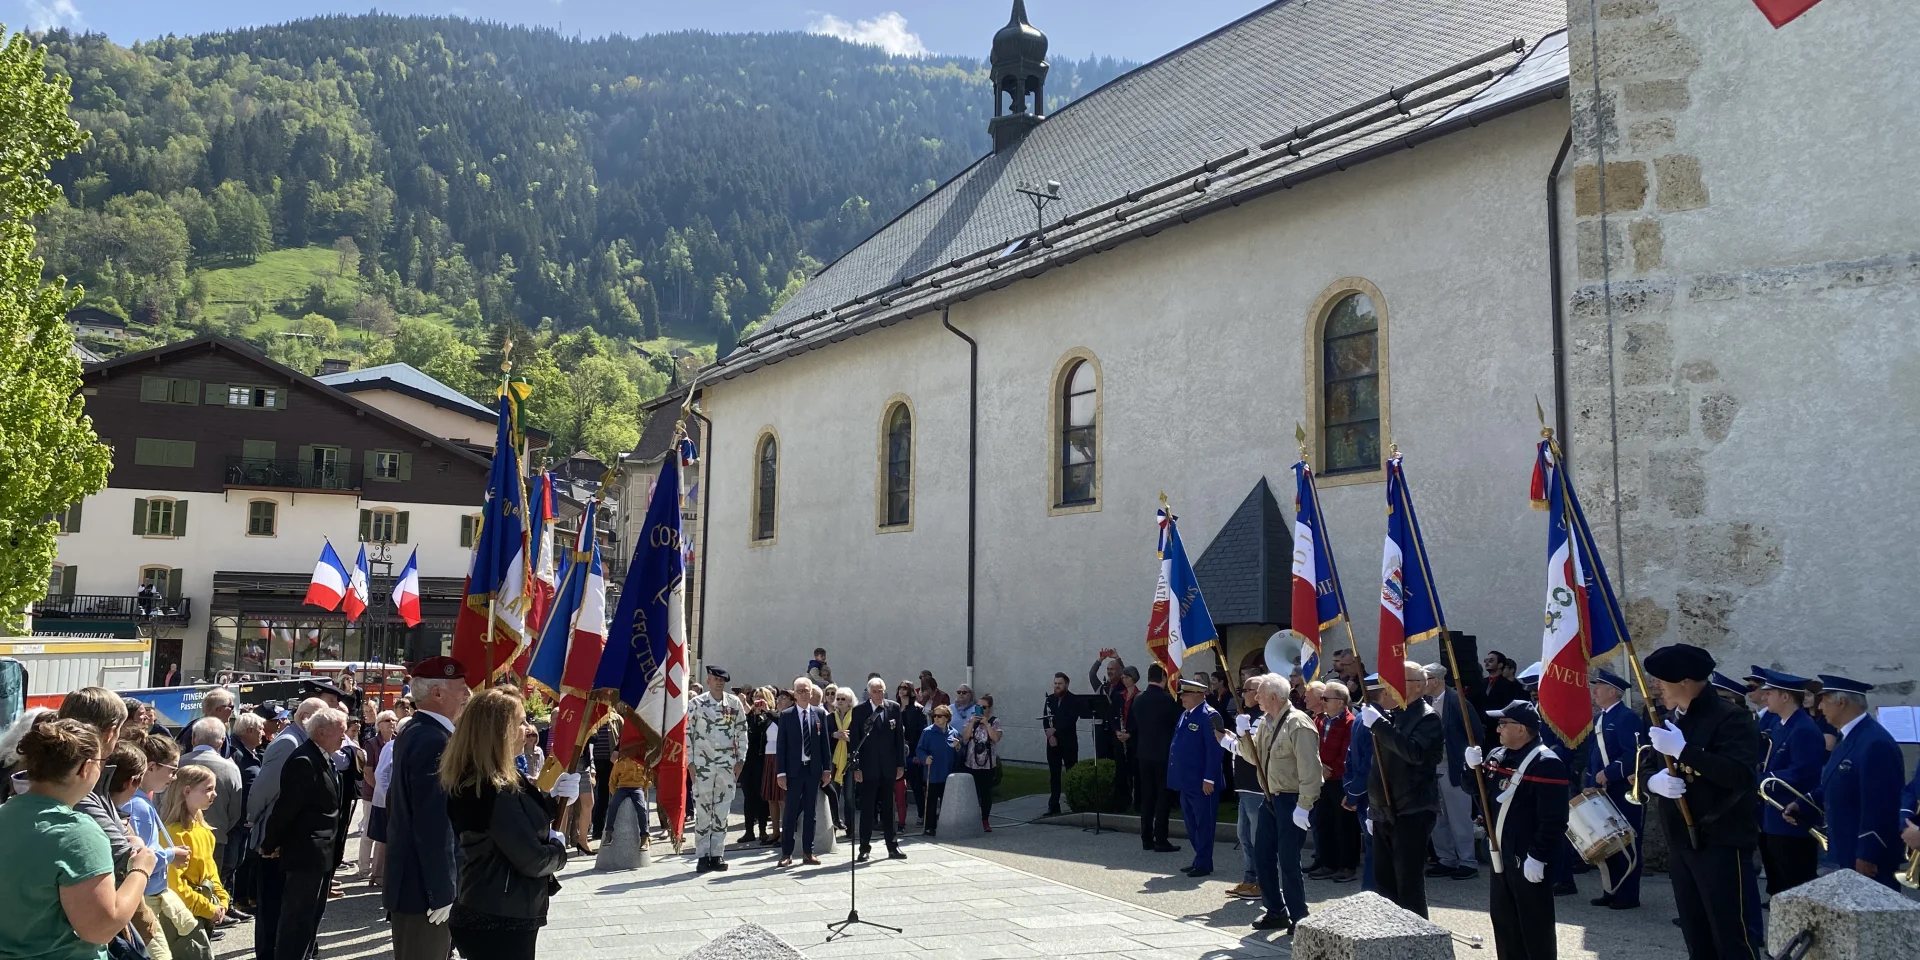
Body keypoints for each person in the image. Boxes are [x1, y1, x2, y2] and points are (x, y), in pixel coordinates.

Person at [1637, 643, 1763, 960]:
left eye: (1661, 680)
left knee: (1731, 934)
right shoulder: (1668, 718)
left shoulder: (1732, 718)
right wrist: (1653, 781)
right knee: (1696, 932)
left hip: (1719, 839)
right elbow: (1648, 764)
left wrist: (1685, 752)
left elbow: (1740, 776)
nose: (1656, 687)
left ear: (1684, 681)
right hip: (1681, 840)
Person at [0, 715, 157, 960]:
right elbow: (100, 928)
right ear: (85, 768)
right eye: (102, 762)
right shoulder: (77, 833)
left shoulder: (5, 813)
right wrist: (141, 869)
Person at [440, 688, 568, 960]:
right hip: (499, 917)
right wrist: (558, 849)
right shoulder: (493, 788)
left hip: (493, 908)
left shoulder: (485, 777)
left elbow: (521, 818)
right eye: (520, 722)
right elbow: (531, 859)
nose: (528, 728)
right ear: (499, 731)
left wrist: (552, 796)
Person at [1464, 701, 1570, 960]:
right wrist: (1470, 769)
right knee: (1504, 923)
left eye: (1503, 724)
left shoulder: (1545, 763)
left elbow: (1555, 819)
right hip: (1500, 851)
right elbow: (1478, 794)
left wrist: (1539, 855)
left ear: (1521, 729)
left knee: (1534, 927)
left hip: (1528, 856)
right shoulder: (1497, 756)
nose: (1498, 730)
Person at [386, 658, 473, 960]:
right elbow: (432, 824)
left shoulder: (419, 732)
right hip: (423, 892)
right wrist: (441, 891)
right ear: (437, 693)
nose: (467, 695)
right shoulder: (433, 740)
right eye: (461, 688)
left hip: (415, 885)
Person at [1786, 674, 1904, 889]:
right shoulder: (1850, 736)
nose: (1820, 707)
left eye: (1824, 700)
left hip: (1865, 855)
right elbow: (1838, 781)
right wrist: (1803, 803)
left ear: (1841, 702)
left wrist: (1868, 853)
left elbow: (1880, 804)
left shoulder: (1875, 742)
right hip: (1845, 847)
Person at [259, 707, 346, 960]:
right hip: (306, 854)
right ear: (321, 732)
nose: (344, 738)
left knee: (310, 919)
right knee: (297, 920)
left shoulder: (323, 757)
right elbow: (286, 809)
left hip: (321, 855)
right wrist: (270, 843)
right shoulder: (304, 761)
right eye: (340, 732)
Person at [1358, 660, 1444, 917]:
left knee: (1408, 884)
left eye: (1397, 681)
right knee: (1385, 884)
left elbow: (1414, 753)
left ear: (1418, 686)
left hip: (1412, 810)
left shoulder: (1428, 718)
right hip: (1385, 810)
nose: (1389, 687)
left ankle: (1417, 943)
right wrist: (1374, 807)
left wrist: (1380, 726)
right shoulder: (1394, 716)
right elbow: (1379, 765)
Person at [247, 696, 325, 960]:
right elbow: (264, 789)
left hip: (287, 838)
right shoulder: (289, 743)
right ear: (305, 718)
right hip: (273, 836)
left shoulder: (301, 741)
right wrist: (254, 821)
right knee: (271, 907)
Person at [1243, 673, 1321, 933]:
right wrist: (1241, 735)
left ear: (1274, 697)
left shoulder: (1297, 723)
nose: (1256, 698)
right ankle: (1275, 910)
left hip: (1292, 800)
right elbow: (1254, 757)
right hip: (1271, 799)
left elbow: (1311, 769)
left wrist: (1305, 804)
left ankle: (1300, 917)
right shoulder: (1266, 722)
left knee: (1288, 861)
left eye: (1260, 694)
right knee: (1262, 855)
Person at [1744, 666, 1823, 898]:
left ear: (1786, 696)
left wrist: (1761, 780)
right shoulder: (1781, 725)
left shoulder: (1803, 729)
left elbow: (1803, 772)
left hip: (1792, 814)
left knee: (1794, 881)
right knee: (1778, 881)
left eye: (1770, 693)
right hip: (1772, 813)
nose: (1765, 696)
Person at [1583, 669, 1645, 909]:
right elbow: (1593, 756)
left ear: (1613, 691)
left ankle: (1628, 895)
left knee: (1625, 841)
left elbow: (1634, 753)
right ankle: (1611, 890)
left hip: (1621, 789)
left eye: (1599, 687)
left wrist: (1608, 774)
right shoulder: (1600, 718)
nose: (1594, 691)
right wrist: (1590, 784)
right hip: (1600, 790)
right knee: (1606, 842)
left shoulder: (1626, 717)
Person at [1418, 664, 1484, 881]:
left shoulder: (1457, 702)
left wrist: (1466, 759)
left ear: (1435, 680)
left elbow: (1475, 732)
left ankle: (1467, 861)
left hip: (1452, 767)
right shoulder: (1425, 702)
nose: (1421, 684)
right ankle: (1446, 858)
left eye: (1424, 679)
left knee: (1459, 817)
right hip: (1432, 767)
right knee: (1438, 817)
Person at [687, 666, 747, 873]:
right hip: (703, 765)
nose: (719, 683)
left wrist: (741, 760)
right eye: (715, 679)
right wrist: (690, 762)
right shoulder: (696, 703)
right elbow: (687, 733)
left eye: (722, 680)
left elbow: (742, 732)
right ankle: (702, 855)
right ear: (708, 681)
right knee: (703, 810)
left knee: (722, 811)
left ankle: (717, 854)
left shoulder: (733, 703)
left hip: (726, 765)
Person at [177, 718, 243, 905]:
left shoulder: (178, 763)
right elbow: (235, 810)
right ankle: (208, 926)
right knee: (209, 886)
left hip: (177, 833)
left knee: (180, 886)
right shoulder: (230, 768)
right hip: (217, 835)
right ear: (222, 741)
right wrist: (220, 827)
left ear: (194, 738)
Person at [161, 765, 232, 934]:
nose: (214, 794)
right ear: (187, 791)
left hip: (203, 912)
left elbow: (211, 873)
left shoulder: (205, 831)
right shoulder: (173, 833)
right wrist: (208, 909)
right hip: (181, 919)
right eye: (208, 789)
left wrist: (222, 901)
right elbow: (175, 886)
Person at [1168, 678, 1225, 877]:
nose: (1182, 697)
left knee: (1204, 823)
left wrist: (1209, 778)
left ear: (1199, 695)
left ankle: (1203, 863)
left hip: (1202, 781)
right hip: (1186, 780)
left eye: (1186, 694)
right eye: (1182, 694)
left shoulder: (1209, 715)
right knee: (1191, 823)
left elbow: (1215, 750)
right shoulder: (1186, 714)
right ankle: (1199, 858)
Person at [849, 677, 908, 861]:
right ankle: (864, 848)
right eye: (875, 691)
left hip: (888, 767)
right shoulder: (859, 711)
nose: (878, 694)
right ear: (868, 693)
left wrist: (900, 764)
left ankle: (892, 846)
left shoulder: (893, 708)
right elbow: (854, 742)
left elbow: (899, 738)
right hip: (867, 768)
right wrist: (856, 768)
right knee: (867, 809)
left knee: (889, 809)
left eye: (881, 690)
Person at [775, 678, 831, 867]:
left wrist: (826, 769)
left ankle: (808, 852)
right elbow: (781, 746)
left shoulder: (819, 714)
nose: (803, 694)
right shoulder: (787, 715)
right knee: (790, 812)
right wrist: (780, 772)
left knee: (811, 812)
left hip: (813, 770)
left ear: (811, 693)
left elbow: (825, 744)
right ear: (794, 693)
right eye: (799, 691)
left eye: (806, 690)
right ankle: (786, 853)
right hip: (793, 771)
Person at [1127, 664, 1180, 853]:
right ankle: (1161, 839)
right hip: (1163, 754)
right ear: (1164, 679)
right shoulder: (1167, 700)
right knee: (1162, 798)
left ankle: (1146, 838)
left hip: (1143, 754)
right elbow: (1177, 723)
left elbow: (1133, 725)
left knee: (1147, 797)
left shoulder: (1138, 699)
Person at [1311, 679, 1360, 883]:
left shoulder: (1351, 722)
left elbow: (1348, 753)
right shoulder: (1320, 720)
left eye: (1326, 698)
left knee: (1345, 824)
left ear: (1340, 702)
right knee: (1324, 821)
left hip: (1341, 780)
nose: (1322, 701)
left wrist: (1332, 770)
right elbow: (1312, 746)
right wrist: (1318, 765)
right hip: (1322, 779)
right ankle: (1328, 863)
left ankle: (1347, 865)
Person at [1226, 674, 1266, 901]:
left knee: (1257, 837)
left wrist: (1227, 741)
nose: (1243, 694)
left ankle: (1263, 882)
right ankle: (1250, 878)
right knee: (1244, 835)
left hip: (1255, 785)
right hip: (1243, 785)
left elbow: (1251, 750)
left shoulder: (1262, 718)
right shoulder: (1247, 716)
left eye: (1247, 690)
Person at [958, 693, 1003, 832]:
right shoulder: (971, 720)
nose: (981, 709)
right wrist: (972, 722)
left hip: (987, 763)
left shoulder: (994, 721)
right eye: (978, 706)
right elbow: (965, 737)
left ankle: (985, 820)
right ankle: (971, 818)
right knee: (972, 793)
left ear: (990, 708)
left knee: (985, 793)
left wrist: (986, 724)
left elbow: (995, 738)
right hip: (971, 763)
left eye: (984, 707)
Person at [1043, 672, 1081, 817]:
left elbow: (1071, 720)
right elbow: (1046, 719)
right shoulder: (1049, 700)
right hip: (1052, 744)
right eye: (1055, 683)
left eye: (1060, 683)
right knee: (1054, 775)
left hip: (1068, 743)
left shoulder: (1073, 700)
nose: (1057, 686)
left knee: (1071, 773)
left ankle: (1074, 803)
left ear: (1066, 684)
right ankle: (1053, 805)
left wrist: (1056, 730)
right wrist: (1050, 735)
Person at [916, 705, 956, 835]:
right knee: (931, 803)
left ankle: (946, 825)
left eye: (939, 716)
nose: (936, 718)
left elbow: (960, 755)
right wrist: (925, 758)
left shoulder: (954, 733)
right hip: (933, 773)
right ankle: (929, 827)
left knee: (947, 803)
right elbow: (920, 749)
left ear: (947, 718)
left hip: (948, 774)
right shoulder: (928, 732)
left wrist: (959, 747)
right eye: (934, 716)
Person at [741, 689, 774, 844]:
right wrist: (749, 712)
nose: (757, 700)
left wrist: (765, 711)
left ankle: (762, 829)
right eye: (755, 697)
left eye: (760, 698)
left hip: (762, 760)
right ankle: (749, 831)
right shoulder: (749, 716)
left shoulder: (769, 716)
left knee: (762, 797)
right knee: (748, 797)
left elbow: (762, 731)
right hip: (748, 761)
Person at [762, 689, 794, 847]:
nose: (780, 700)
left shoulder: (789, 716)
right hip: (769, 756)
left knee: (782, 798)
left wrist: (768, 712)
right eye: (779, 697)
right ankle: (775, 832)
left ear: (791, 701)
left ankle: (785, 832)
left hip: (782, 757)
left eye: (784, 698)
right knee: (772, 798)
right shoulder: (772, 715)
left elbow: (780, 723)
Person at [896, 682, 926, 829]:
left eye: (904, 688)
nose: (901, 691)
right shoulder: (893, 708)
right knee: (898, 787)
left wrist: (918, 754)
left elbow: (922, 733)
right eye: (900, 688)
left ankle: (922, 814)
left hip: (913, 753)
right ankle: (901, 819)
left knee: (916, 786)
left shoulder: (918, 710)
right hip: (896, 754)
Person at [175, 689, 235, 757]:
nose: (232, 711)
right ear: (219, 709)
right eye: (231, 707)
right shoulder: (197, 729)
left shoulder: (220, 728)